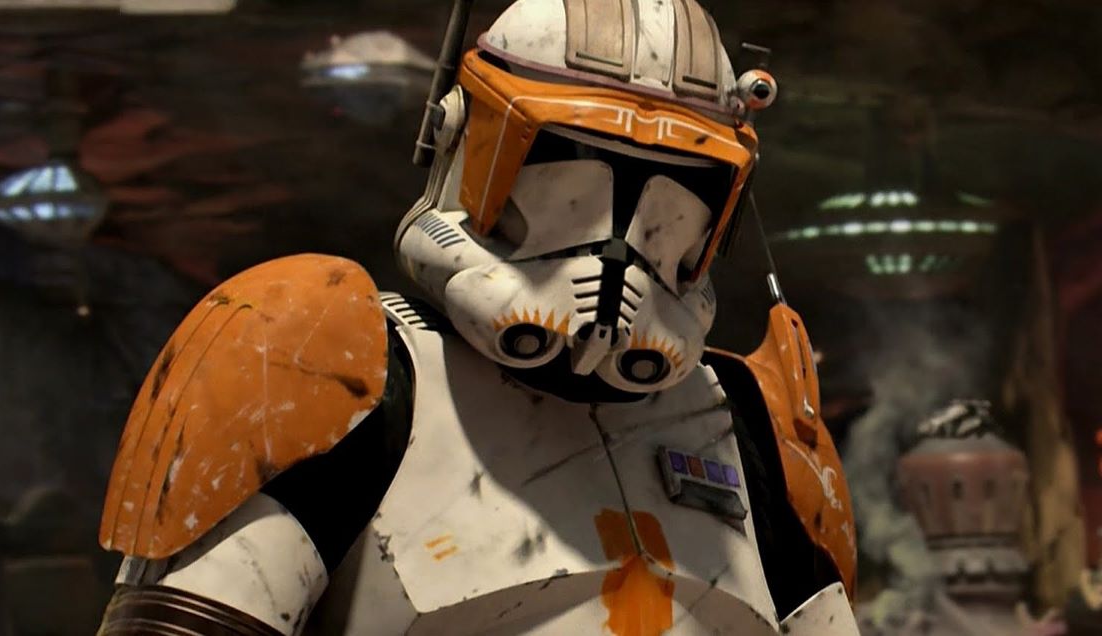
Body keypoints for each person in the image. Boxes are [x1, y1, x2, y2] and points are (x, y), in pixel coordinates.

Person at [94, 1, 861, 633]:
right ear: (467, 144)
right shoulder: (327, 368)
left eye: (677, 190)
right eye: (569, 171)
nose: (619, 251)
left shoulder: (755, 428)